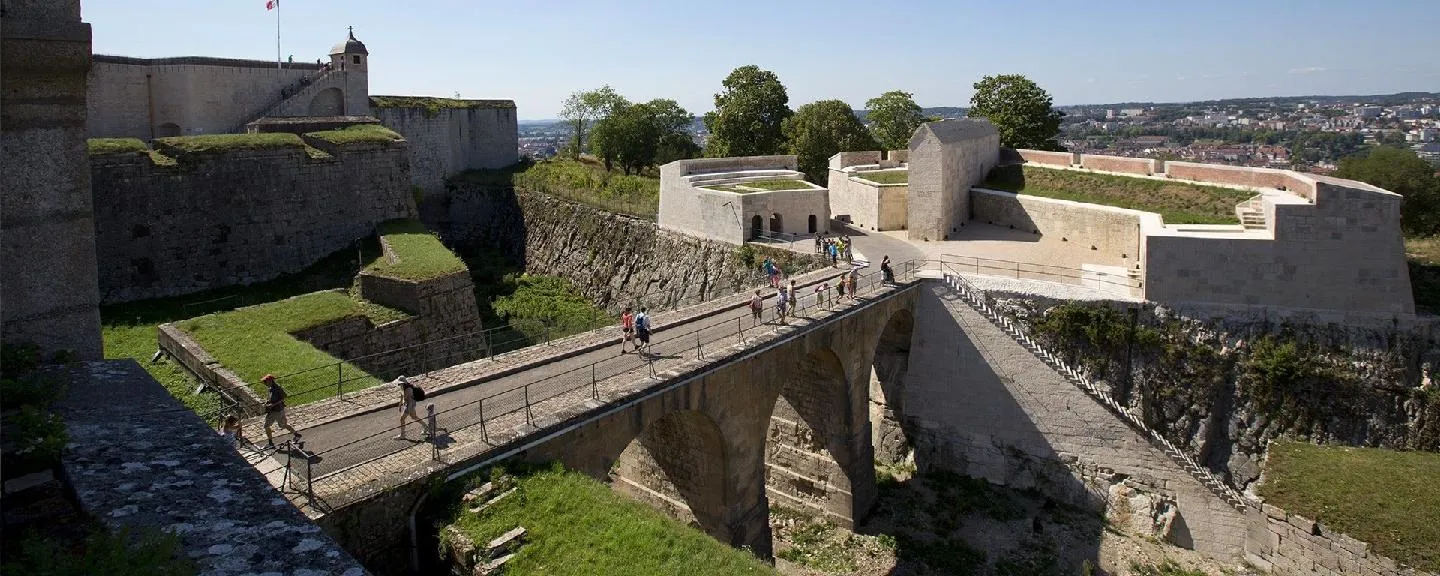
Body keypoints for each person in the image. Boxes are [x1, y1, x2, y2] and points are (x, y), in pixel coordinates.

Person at [261, 374, 300, 449]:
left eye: (265, 381)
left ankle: (296, 435)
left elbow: (284, 397)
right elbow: (270, 398)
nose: (264, 383)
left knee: (282, 425)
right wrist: (267, 402)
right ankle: (270, 443)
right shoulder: (270, 388)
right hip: (272, 411)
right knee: (267, 426)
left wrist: (273, 405)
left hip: (278, 411)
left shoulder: (277, 388)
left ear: (270, 381)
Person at [395, 375, 427, 440]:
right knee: (414, 417)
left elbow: (409, 400)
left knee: (402, 419)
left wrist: (408, 410)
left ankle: (402, 435)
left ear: (403, 382)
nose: (399, 384)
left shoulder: (408, 389)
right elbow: (402, 395)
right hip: (408, 404)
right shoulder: (403, 387)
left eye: (400, 383)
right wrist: (400, 404)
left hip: (410, 404)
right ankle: (426, 427)